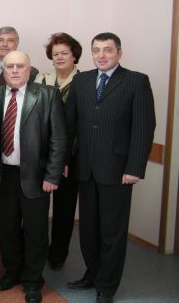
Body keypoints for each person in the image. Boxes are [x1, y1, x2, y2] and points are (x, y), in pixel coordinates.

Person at [66, 33, 155, 303]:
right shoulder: (81, 80)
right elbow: (70, 125)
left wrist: (135, 167)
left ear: (119, 53)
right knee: (88, 230)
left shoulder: (136, 81)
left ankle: (107, 286)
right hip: (85, 168)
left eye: (107, 50)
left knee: (112, 232)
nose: (101, 55)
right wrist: (66, 161)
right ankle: (92, 274)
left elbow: (143, 127)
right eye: (96, 50)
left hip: (117, 170)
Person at [0, 51, 67, 303]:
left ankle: (33, 280)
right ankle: (12, 271)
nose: (14, 70)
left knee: (35, 231)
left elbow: (59, 139)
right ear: (3, 70)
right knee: (7, 228)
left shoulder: (47, 95)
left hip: (36, 175)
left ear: (29, 69)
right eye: (9, 66)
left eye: (20, 66)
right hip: (4, 175)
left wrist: (52, 176)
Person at [0, 26, 39, 252]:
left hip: (26, 161)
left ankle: (28, 262)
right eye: (1, 40)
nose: (5, 44)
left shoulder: (36, 80)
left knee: (27, 221)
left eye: (10, 40)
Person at [34, 32, 82, 270]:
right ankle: (37, 250)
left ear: (74, 56)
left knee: (64, 209)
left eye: (65, 53)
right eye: (55, 54)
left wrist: (64, 159)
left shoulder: (84, 82)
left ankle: (58, 255)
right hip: (41, 155)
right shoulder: (42, 79)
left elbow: (79, 126)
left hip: (71, 157)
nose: (60, 57)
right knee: (37, 207)